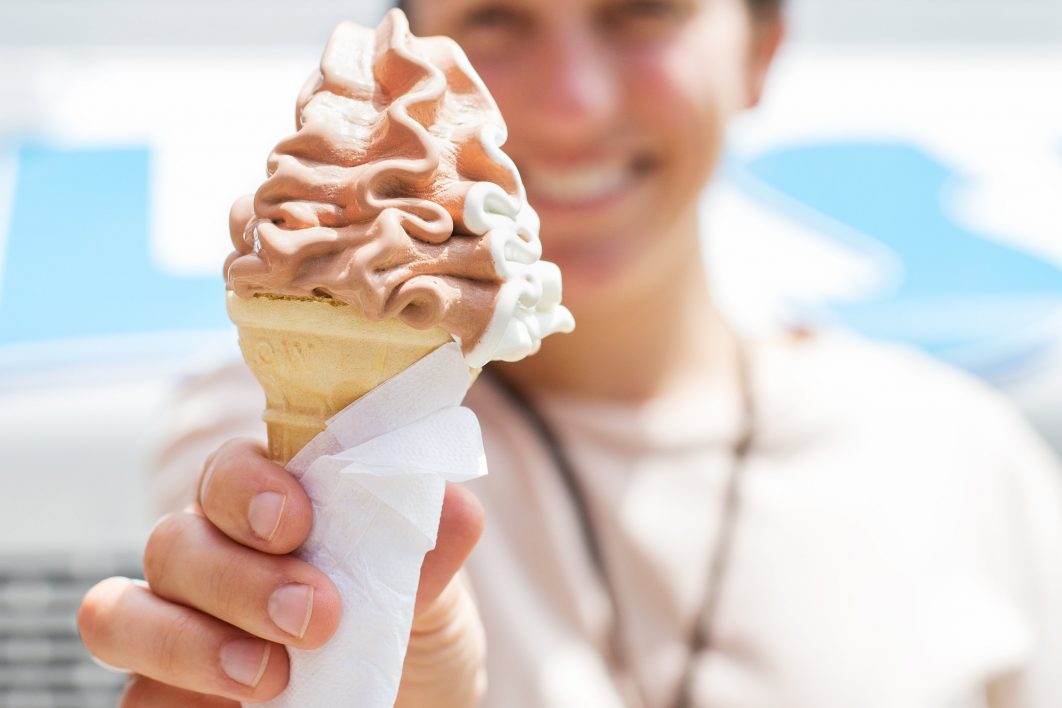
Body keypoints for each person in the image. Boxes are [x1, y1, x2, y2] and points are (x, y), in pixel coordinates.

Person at [78, 0, 1062, 706]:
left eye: (642, 12)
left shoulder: (962, 455)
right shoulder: (275, 445)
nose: (572, 102)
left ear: (760, 50)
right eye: (499, 19)